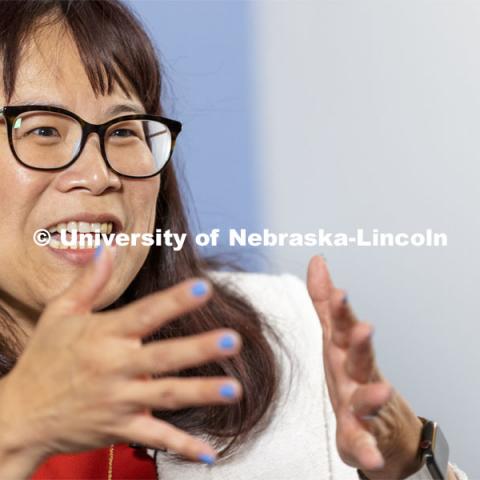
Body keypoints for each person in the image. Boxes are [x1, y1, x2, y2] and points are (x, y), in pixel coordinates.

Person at [0, 1, 468, 479]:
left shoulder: (281, 337)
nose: (99, 174)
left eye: (123, 131)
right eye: (41, 129)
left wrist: (405, 459)